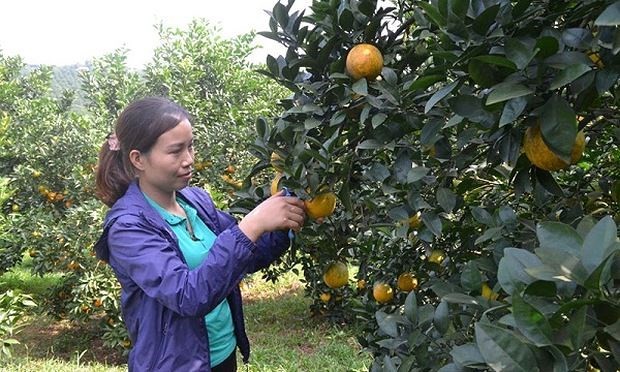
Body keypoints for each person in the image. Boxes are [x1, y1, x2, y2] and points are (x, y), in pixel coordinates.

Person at [93, 96, 306, 371]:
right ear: (138, 159)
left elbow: (246, 255)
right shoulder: (127, 228)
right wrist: (252, 224)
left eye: (191, 146)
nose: (189, 160)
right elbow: (187, 296)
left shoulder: (194, 200)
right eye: (175, 151)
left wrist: (287, 213)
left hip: (221, 355)